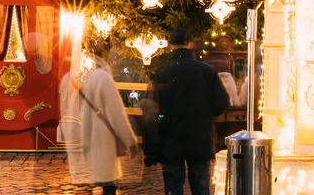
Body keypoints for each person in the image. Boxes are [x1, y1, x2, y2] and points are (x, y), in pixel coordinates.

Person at [147, 27, 229, 195]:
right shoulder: (206, 71)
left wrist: (153, 141)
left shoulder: (162, 72)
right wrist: (204, 114)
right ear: (191, 44)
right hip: (200, 139)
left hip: (170, 140)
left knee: (173, 187)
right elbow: (221, 103)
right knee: (201, 188)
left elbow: (153, 110)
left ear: (170, 45)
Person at [60, 38, 140, 195]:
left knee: (99, 184)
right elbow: (116, 113)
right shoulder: (103, 78)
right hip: (105, 139)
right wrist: (130, 141)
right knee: (109, 185)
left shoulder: (81, 77)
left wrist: (83, 143)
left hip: (90, 138)